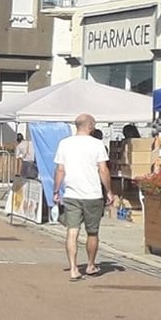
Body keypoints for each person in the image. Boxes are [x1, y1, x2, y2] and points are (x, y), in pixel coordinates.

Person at [53, 112, 117, 280]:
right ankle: (90, 265)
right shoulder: (97, 144)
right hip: (93, 194)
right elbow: (103, 170)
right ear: (89, 126)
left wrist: (55, 190)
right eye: (94, 125)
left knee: (72, 231)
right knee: (92, 232)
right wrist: (109, 191)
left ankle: (74, 268)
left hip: (72, 193)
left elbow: (60, 169)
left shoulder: (64, 144)